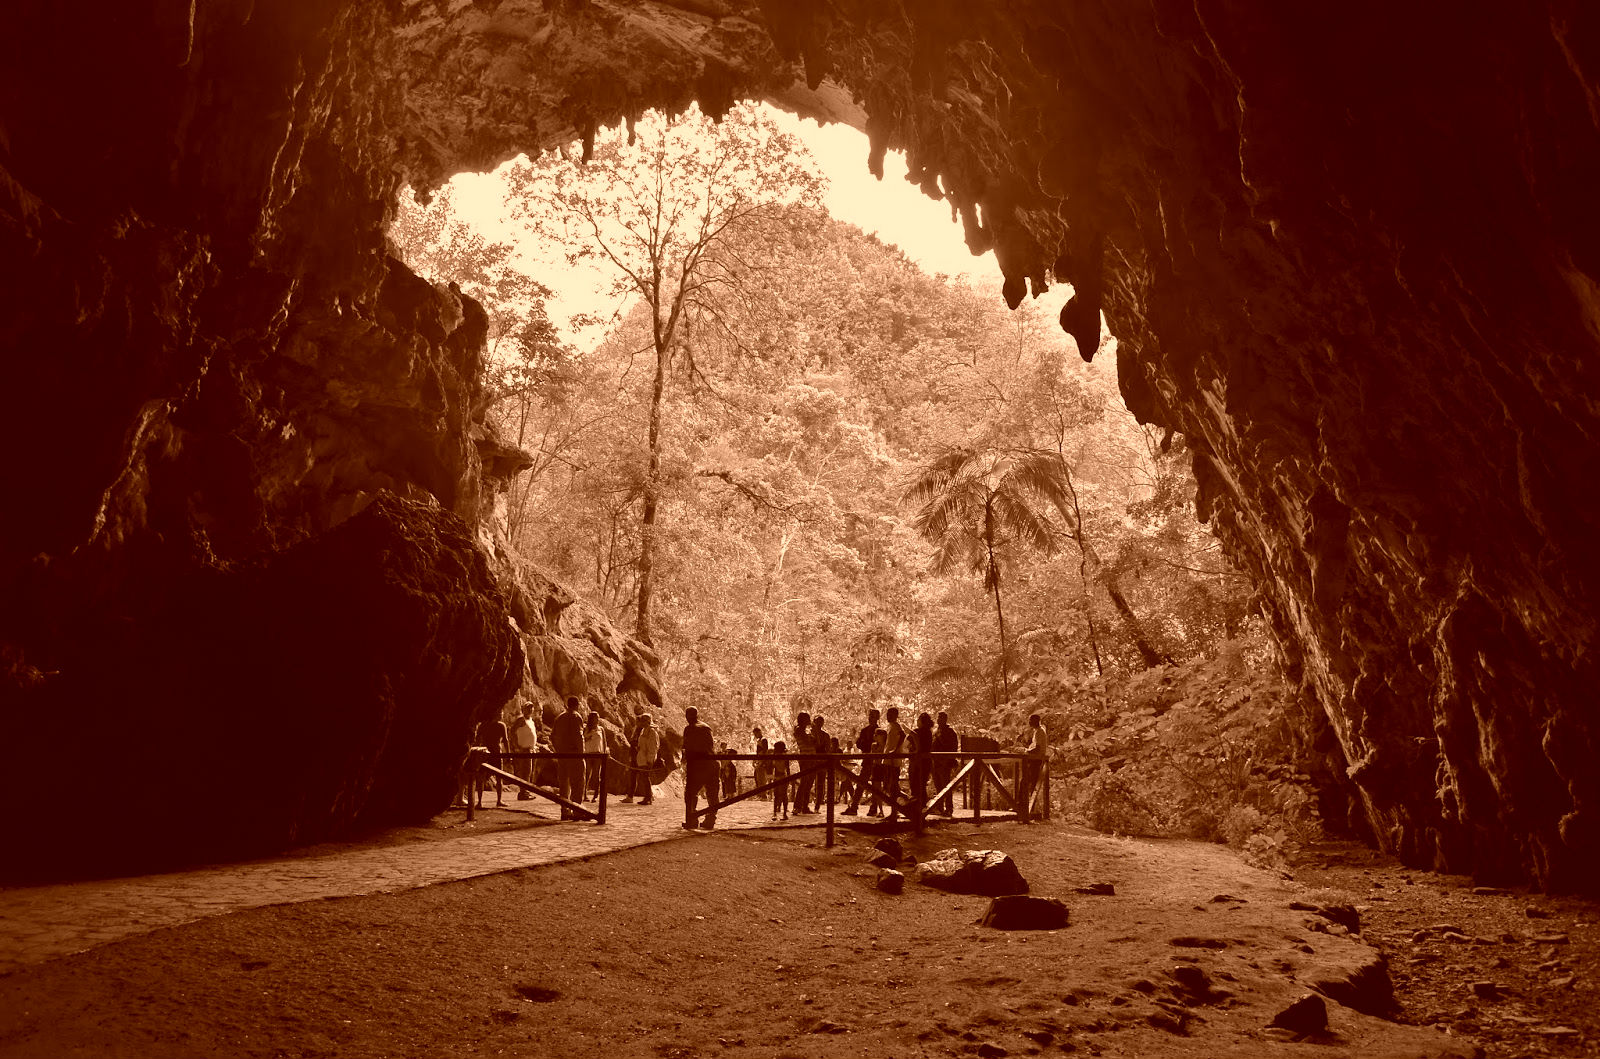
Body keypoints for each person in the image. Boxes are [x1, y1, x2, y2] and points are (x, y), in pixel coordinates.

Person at [682, 706, 717, 830]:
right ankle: (710, 819)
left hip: (697, 765)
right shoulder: (706, 727)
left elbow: (687, 748)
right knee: (712, 793)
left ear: (687, 716)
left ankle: (692, 818)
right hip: (712, 763)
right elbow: (711, 746)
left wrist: (685, 759)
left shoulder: (689, 729)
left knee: (690, 794)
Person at [551, 696, 585, 818]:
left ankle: (564, 810)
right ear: (576, 705)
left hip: (562, 756)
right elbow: (579, 737)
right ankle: (577, 810)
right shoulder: (576, 717)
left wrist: (558, 750)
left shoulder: (559, 718)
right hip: (574, 755)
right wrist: (582, 754)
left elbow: (552, 736)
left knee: (564, 783)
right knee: (577, 782)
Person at [843, 707, 880, 815]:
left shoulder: (880, 731)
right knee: (861, 783)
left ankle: (873, 808)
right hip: (867, 760)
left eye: (873, 716)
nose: (870, 718)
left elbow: (878, 745)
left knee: (875, 784)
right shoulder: (864, 730)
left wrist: (866, 745)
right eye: (869, 715)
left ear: (877, 717)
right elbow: (859, 743)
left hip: (876, 761)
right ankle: (854, 807)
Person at [1020, 712, 1049, 820]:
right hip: (1034, 759)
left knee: (1028, 782)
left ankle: (1026, 807)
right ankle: (1026, 806)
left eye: (1031, 720)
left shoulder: (1040, 732)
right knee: (1028, 782)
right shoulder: (1037, 731)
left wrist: (1027, 752)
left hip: (1036, 760)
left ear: (1036, 721)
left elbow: (1038, 748)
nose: (1029, 722)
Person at [476, 716, 508, 809]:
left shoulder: (483, 725)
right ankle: (499, 800)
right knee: (498, 778)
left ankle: (480, 802)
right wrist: (508, 754)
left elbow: (478, 738)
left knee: (481, 777)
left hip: (485, 753)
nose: (502, 715)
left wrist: (477, 751)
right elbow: (505, 740)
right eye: (501, 713)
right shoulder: (501, 725)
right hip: (496, 753)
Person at [628, 712, 660, 804]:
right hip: (641, 758)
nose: (641, 722)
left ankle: (648, 798)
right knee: (644, 778)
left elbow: (653, 747)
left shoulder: (652, 732)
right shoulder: (644, 731)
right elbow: (642, 744)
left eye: (643, 721)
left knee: (646, 778)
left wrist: (650, 760)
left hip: (646, 759)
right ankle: (647, 797)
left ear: (647, 721)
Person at [881, 705, 906, 822]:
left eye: (890, 715)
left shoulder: (896, 726)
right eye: (887, 714)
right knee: (890, 786)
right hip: (888, 759)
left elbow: (903, 735)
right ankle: (900, 806)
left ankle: (895, 811)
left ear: (896, 716)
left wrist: (895, 750)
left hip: (893, 761)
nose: (888, 716)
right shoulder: (890, 726)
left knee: (893, 786)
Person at [932, 711, 959, 815]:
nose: (938, 719)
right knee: (938, 786)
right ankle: (940, 808)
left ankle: (949, 808)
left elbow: (953, 747)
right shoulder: (935, 731)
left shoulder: (950, 732)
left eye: (941, 718)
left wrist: (949, 760)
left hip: (944, 763)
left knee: (946, 786)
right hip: (935, 762)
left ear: (945, 719)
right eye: (938, 717)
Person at [909, 711, 935, 822]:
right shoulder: (929, 732)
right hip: (926, 762)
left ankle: (916, 810)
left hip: (917, 761)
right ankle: (921, 810)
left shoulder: (917, 732)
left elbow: (909, 743)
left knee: (915, 784)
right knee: (921, 785)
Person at [510, 705, 539, 799]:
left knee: (530, 772)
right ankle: (523, 793)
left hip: (532, 749)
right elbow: (512, 732)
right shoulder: (520, 720)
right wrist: (516, 746)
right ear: (523, 710)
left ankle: (527, 791)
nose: (530, 710)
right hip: (524, 749)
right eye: (528, 708)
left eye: (531, 708)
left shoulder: (531, 720)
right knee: (525, 772)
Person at [790, 711, 815, 815]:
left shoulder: (805, 731)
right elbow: (808, 741)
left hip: (811, 757)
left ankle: (804, 806)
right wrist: (812, 737)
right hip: (805, 758)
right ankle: (797, 806)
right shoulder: (799, 729)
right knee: (804, 782)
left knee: (808, 783)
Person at [583, 710, 606, 801]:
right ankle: (584, 794)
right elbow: (583, 739)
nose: (596, 720)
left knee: (596, 775)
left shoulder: (601, 729)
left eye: (597, 718)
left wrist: (604, 753)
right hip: (588, 753)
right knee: (587, 774)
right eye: (594, 718)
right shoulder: (586, 728)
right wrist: (590, 734)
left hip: (598, 754)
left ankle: (596, 795)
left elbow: (604, 742)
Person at [809, 714, 831, 811]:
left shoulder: (826, 735)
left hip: (822, 761)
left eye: (821, 721)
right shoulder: (809, 734)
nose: (819, 723)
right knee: (809, 782)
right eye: (817, 721)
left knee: (820, 784)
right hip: (812, 761)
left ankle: (817, 805)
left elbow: (828, 749)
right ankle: (805, 803)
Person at [770, 739, 791, 820]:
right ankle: (775, 812)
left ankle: (784, 813)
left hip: (783, 776)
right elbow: (772, 768)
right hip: (776, 777)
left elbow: (787, 768)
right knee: (776, 795)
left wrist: (788, 778)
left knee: (784, 795)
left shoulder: (785, 757)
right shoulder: (774, 756)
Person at [752, 727, 770, 800]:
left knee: (762, 779)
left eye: (755, 733)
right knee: (758, 778)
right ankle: (761, 794)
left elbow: (765, 752)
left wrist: (762, 762)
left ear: (759, 732)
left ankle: (764, 795)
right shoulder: (758, 741)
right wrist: (754, 760)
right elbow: (758, 752)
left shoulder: (764, 740)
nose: (755, 735)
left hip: (762, 762)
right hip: (758, 761)